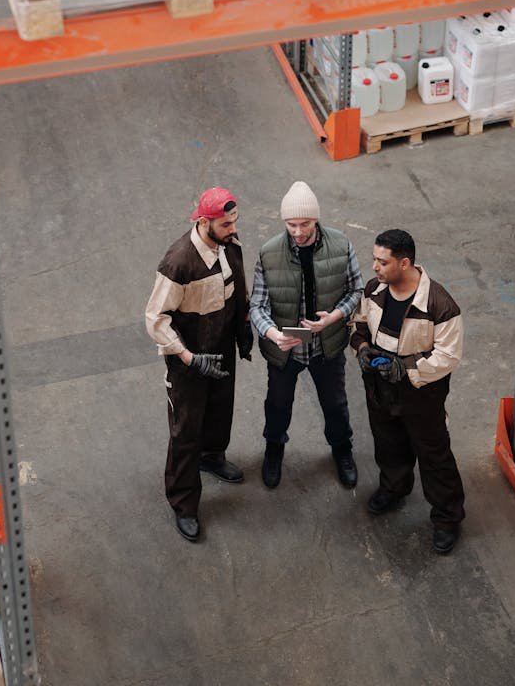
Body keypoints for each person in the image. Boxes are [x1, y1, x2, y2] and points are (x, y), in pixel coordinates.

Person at [145, 187, 253, 543]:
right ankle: (184, 503)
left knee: (220, 410)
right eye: (226, 224)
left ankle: (212, 457)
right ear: (205, 222)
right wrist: (189, 358)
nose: (233, 229)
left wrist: (243, 329)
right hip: (189, 357)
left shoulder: (229, 244)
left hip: (221, 345)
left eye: (234, 221)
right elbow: (155, 319)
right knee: (186, 431)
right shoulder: (179, 262)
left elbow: (237, 287)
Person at [351, 228, 465, 554]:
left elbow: (449, 356)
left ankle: (447, 518)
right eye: (374, 259)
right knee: (388, 443)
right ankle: (394, 488)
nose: (374, 267)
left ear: (404, 263)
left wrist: (405, 367)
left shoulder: (439, 305)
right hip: (379, 386)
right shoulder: (374, 290)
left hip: (420, 394)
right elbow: (359, 325)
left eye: (382, 262)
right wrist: (362, 349)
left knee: (433, 454)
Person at [250, 181, 364, 490]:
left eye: (305, 224)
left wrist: (335, 316)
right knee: (278, 404)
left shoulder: (341, 245)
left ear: (316, 219)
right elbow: (257, 305)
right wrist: (273, 334)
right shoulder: (269, 253)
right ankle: (274, 450)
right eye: (291, 224)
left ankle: (342, 449)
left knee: (335, 404)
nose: (298, 232)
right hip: (285, 349)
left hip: (327, 346)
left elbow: (356, 289)